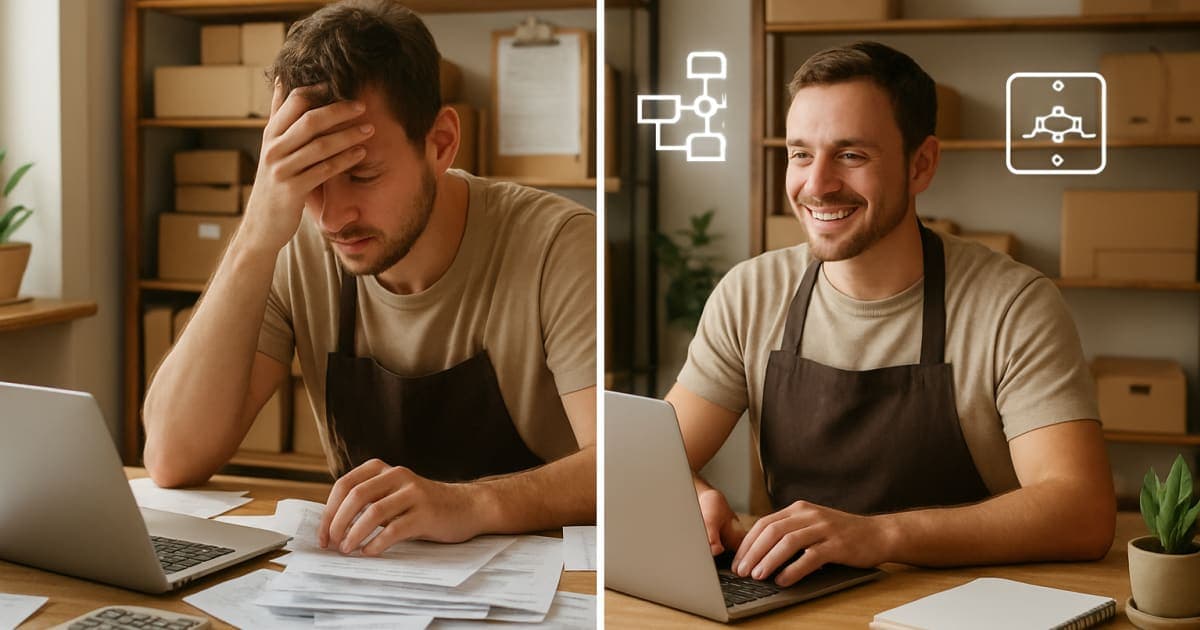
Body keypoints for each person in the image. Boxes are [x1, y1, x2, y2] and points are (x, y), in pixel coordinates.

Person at [142, 0, 595, 554]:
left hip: (545, 581)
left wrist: (470, 503)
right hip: (366, 575)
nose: (333, 218)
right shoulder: (293, 242)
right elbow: (170, 457)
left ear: (441, 143)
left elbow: (617, 465)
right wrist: (256, 237)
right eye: (309, 178)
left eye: (362, 174)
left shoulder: (558, 244)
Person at [668, 41, 1115, 587]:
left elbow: (1081, 510)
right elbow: (659, 458)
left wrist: (879, 536)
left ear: (920, 164)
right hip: (797, 603)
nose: (816, 184)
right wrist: (696, 497)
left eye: (851, 155)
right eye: (801, 154)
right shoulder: (750, 292)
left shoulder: (1013, 305)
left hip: (968, 608)